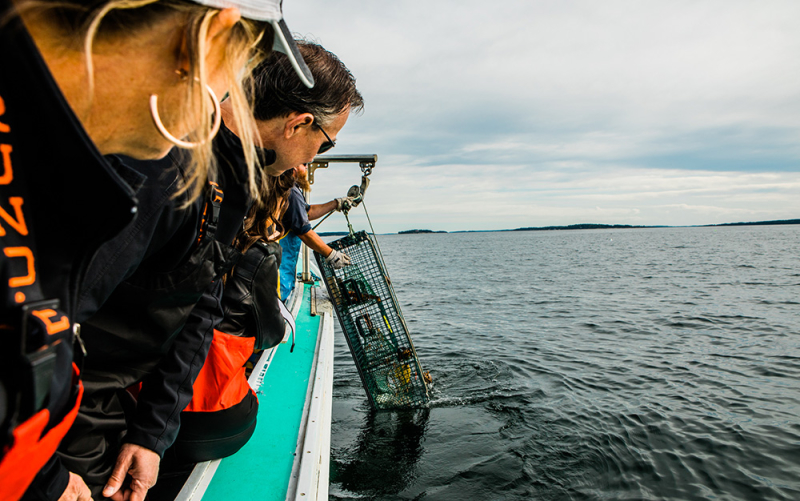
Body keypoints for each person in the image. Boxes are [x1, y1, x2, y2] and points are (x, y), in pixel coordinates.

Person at [0, 0, 308, 499]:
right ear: (209, 38)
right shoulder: (156, 177)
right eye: (235, 70)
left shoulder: (49, 160)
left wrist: (44, 473)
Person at [145, 41, 365, 497]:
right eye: (323, 144)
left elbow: (202, 300)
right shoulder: (170, 165)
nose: (310, 161)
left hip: (146, 403)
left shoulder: (236, 185)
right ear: (298, 124)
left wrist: (148, 435)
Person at [279, 162, 354, 300]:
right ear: (293, 166)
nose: (307, 168)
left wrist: (335, 203)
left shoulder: (290, 188)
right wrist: (331, 255)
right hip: (276, 277)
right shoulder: (290, 192)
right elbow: (304, 231)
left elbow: (306, 212)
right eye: (304, 164)